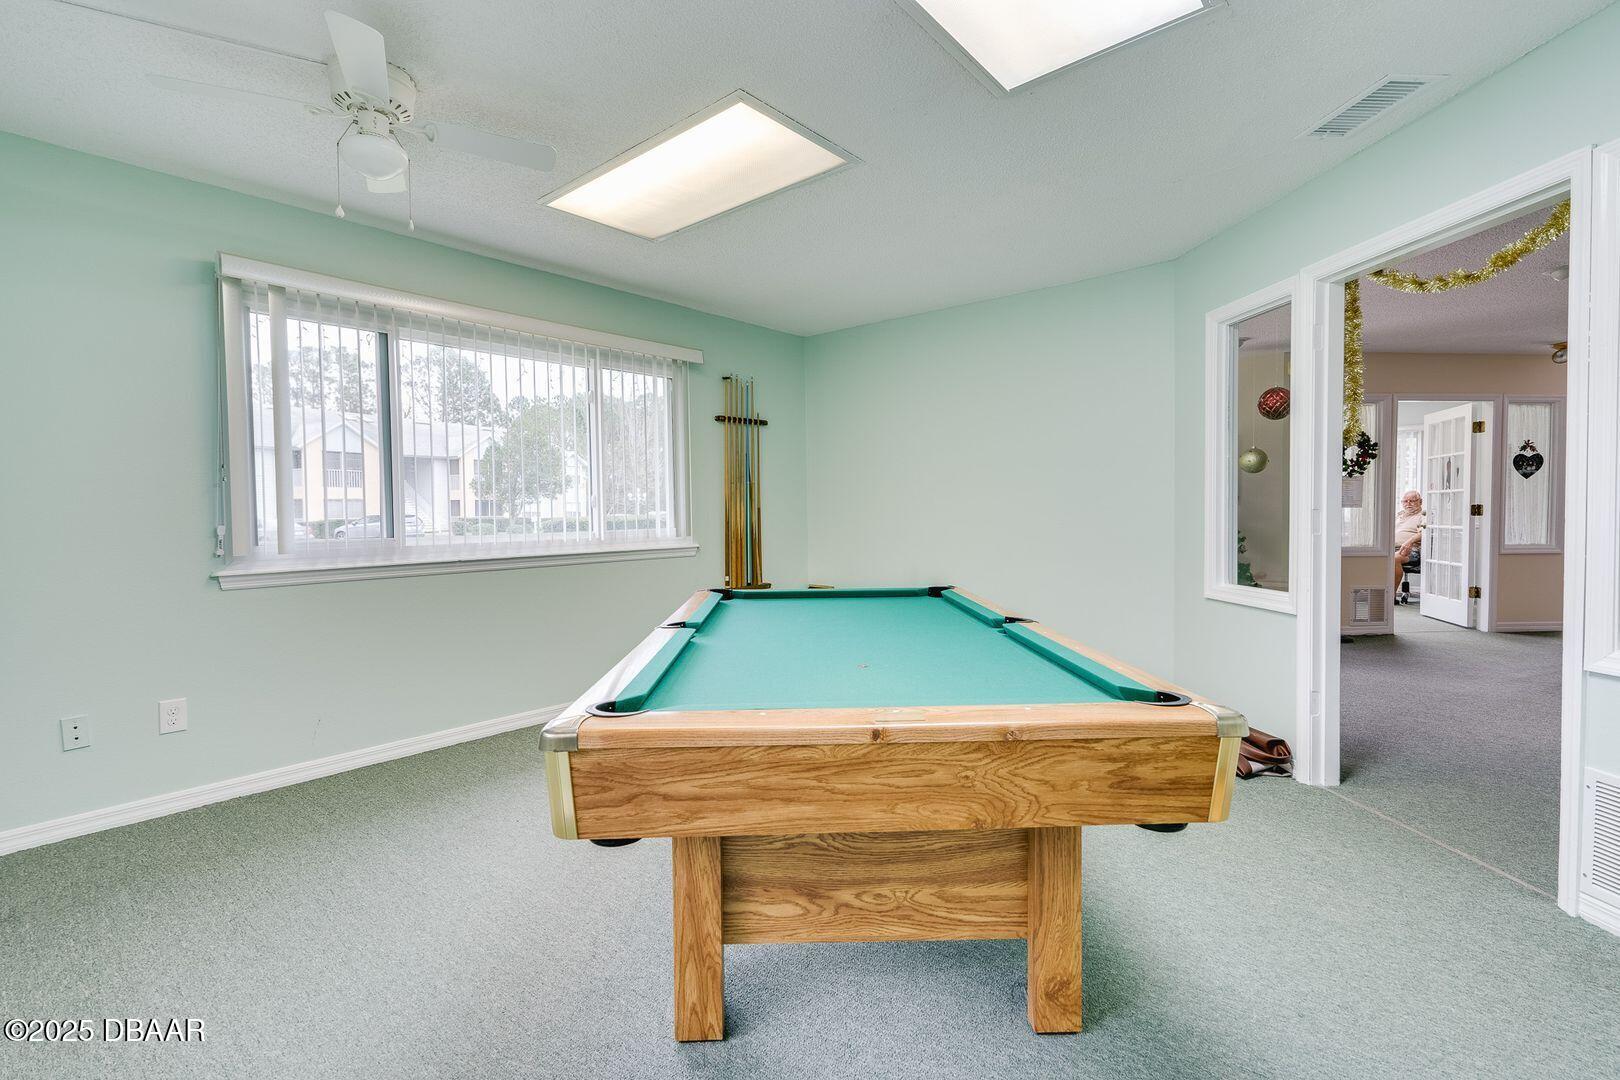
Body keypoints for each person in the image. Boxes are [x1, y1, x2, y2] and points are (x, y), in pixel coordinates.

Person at [1394, 490, 1423, 595]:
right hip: (1392, 548)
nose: (1408, 503)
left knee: (1393, 559)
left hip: (1411, 550)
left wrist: (1409, 542)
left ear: (1420, 501)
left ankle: (1390, 597)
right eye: (1405, 501)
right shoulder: (1399, 515)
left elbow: (1423, 533)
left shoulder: (1423, 515)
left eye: (1412, 501)